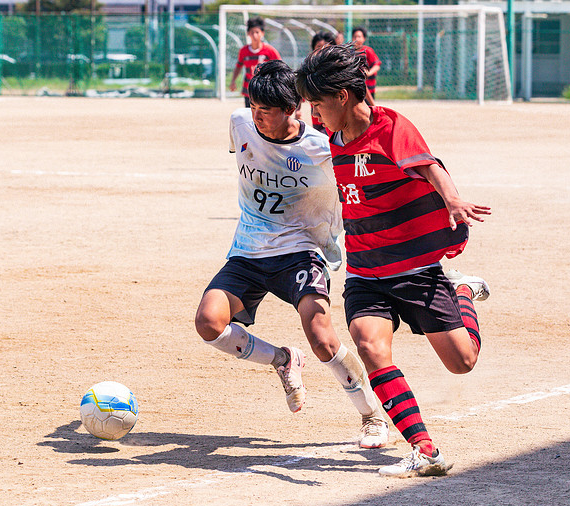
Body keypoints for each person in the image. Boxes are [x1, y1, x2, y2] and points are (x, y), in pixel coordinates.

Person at [295, 44, 492, 477]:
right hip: (366, 272)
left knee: (463, 362)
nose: (314, 113)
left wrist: (452, 198)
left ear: (342, 97)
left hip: (415, 271)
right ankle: (425, 449)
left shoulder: (390, 127)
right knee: (369, 346)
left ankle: (460, 290)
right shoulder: (330, 137)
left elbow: (429, 166)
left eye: (318, 104)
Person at [196, 60, 389, 449]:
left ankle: (373, 416)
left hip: (301, 251)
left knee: (322, 339)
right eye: (253, 106)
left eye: (266, 110)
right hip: (248, 250)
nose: (257, 116)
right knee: (208, 322)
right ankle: (282, 360)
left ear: (293, 109)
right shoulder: (239, 123)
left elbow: (365, 170)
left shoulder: (321, 148)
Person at [228, 17, 281, 108]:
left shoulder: (269, 50)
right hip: (248, 90)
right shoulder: (244, 51)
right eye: (252, 32)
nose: (254, 35)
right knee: (250, 116)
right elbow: (238, 66)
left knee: (264, 116)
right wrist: (233, 81)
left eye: (257, 32)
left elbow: (280, 66)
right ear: (248, 34)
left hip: (265, 90)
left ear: (262, 33)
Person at [351, 27, 381, 105]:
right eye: (355, 36)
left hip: (369, 87)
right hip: (354, 89)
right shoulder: (349, 53)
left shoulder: (367, 51)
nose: (356, 39)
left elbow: (377, 65)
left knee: (369, 109)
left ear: (364, 39)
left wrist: (368, 73)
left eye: (359, 36)